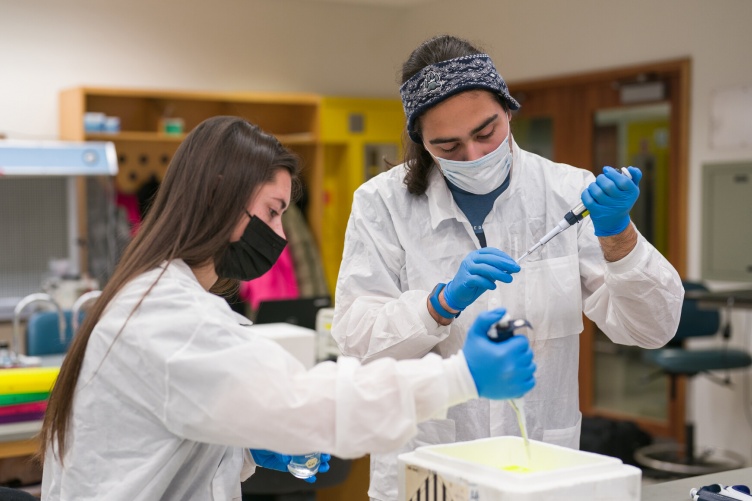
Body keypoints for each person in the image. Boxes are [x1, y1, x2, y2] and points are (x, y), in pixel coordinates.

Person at [38, 116, 536, 500]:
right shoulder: (172, 317)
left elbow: (162, 440)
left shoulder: (154, 295)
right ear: (217, 194)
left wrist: (242, 449)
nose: (279, 235)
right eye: (272, 211)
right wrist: (462, 378)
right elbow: (312, 402)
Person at [332, 34, 684, 500]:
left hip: (538, 460)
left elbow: (651, 329)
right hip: (430, 465)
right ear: (420, 140)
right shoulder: (383, 205)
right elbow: (356, 342)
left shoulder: (566, 191)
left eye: (485, 132)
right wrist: (436, 307)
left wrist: (619, 235)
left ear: (508, 109)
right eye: (448, 145)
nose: (474, 156)